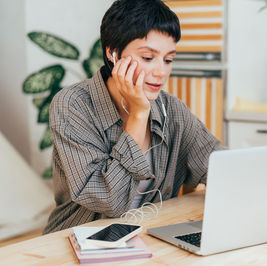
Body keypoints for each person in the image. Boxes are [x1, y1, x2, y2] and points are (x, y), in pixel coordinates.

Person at [43, 0, 222, 234]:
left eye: (168, 59)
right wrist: (138, 114)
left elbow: (220, 166)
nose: (161, 72)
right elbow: (110, 201)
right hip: (78, 240)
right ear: (113, 53)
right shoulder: (73, 104)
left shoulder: (172, 109)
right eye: (148, 58)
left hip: (148, 236)